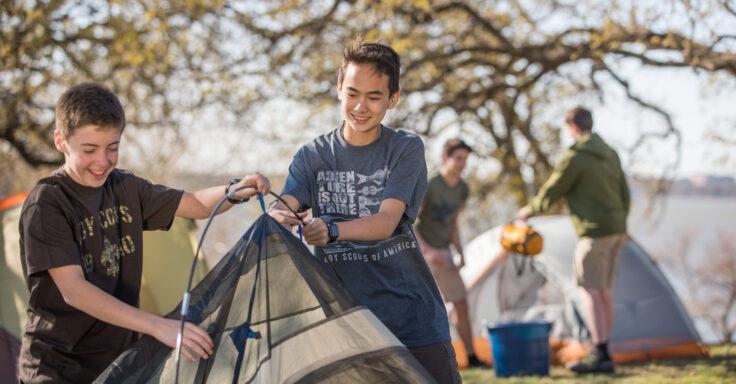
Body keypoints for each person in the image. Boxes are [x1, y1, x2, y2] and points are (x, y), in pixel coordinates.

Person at [17, 82, 271, 384]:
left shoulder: (125, 187)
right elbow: (75, 291)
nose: (103, 161)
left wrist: (237, 190)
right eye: (89, 150)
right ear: (61, 141)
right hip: (56, 370)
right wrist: (158, 326)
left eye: (112, 148)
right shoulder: (47, 202)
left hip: (118, 367)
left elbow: (194, 203)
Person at [267, 39, 461, 383]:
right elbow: (286, 205)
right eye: (353, 93)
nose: (360, 106)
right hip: (347, 325)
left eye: (374, 97)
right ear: (339, 89)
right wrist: (277, 215)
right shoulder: (312, 156)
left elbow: (386, 222)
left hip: (413, 320)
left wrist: (331, 230)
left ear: (393, 99)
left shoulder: (406, 148)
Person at [516, 106, 630, 374]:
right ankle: (604, 351)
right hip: (617, 230)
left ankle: (600, 353)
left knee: (589, 290)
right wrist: (621, 221)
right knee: (605, 290)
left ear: (573, 127)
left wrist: (529, 210)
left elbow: (554, 189)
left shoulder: (576, 156)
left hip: (593, 233)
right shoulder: (611, 154)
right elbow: (625, 194)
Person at [414, 138, 483, 368]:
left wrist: (460, 252)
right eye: (459, 159)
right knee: (427, 309)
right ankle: (423, 361)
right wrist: (428, 251)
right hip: (423, 253)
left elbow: (454, 223)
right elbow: (409, 223)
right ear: (446, 158)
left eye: (466, 159)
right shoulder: (431, 185)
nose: (463, 164)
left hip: (445, 254)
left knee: (461, 304)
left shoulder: (463, 189)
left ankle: (472, 357)